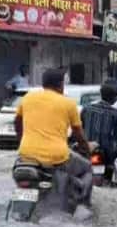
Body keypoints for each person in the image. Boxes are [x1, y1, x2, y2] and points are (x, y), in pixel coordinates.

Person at [14, 68, 93, 210]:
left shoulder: (27, 98)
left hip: (26, 155)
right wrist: (87, 150)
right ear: (61, 84)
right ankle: (83, 207)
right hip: (57, 157)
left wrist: (22, 141)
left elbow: (17, 123)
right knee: (87, 167)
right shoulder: (68, 104)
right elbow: (78, 134)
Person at [80, 81, 117, 169]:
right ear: (114, 98)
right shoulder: (115, 113)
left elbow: (80, 127)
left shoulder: (87, 108)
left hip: (86, 148)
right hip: (106, 151)